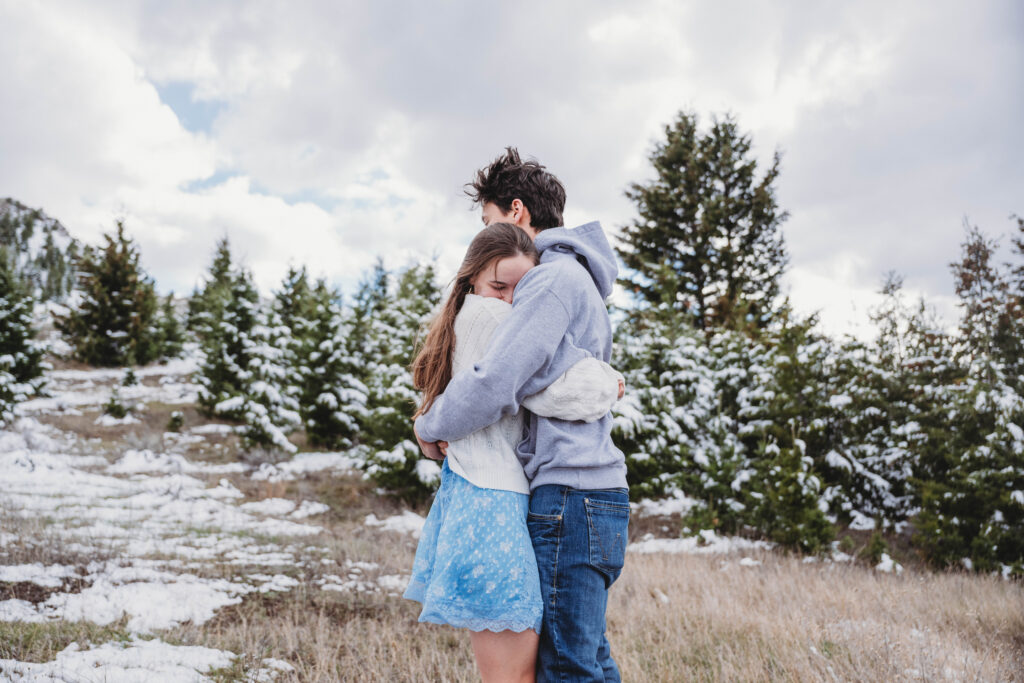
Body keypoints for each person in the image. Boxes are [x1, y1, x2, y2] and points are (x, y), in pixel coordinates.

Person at [415, 148, 630, 682]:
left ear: (516, 213)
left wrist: (429, 426)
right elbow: (561, 380)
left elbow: (499, 381)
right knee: (590, 661)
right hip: (593, 496)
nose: (488, 238)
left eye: (489, 223)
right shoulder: (578, 281)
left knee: (568, 670)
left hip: (570, 496)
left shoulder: (550, 281)